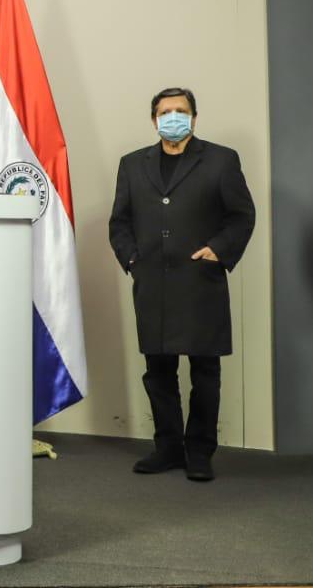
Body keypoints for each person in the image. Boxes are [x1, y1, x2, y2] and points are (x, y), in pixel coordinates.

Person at [108, 87, 255, 482]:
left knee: (205, 370)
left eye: (181, 110)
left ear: (194, 116)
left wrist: (218, 250)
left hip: (199, 280)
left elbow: (241, 215)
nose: (173, 117)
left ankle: (200, 452)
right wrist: (131, 258)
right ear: (154, 119)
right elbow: (119, 221)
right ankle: (168, 448)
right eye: (165, 112)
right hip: (152, 281)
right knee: (158, 370)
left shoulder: (221, 160)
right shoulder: (132, 164)